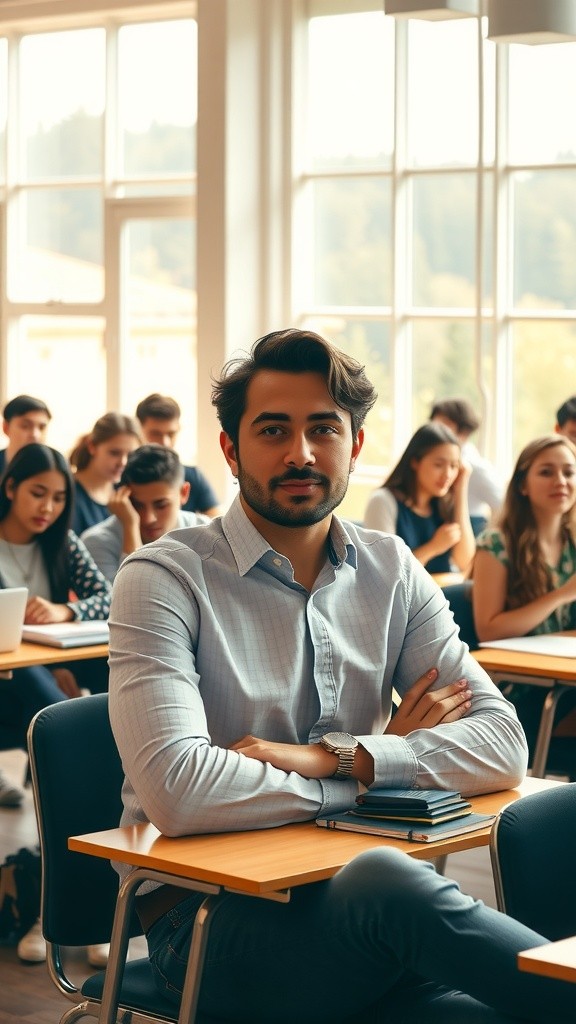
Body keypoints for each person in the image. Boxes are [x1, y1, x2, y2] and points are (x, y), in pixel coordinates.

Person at [108, 328, 573, 1023]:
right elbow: (179, 791)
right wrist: (370, 771)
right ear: (231, 450)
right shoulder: (163, 578)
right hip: (207, 928)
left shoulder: (391, 569)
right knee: (387, 882)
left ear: (354, 445)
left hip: (372, 924)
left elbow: (503, 745)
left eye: (323, 428)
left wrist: (337, 754)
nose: (300, 453)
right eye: (273, 430)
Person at [0, 443, 111, 968]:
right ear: (10, 489)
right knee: (71, 740)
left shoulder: (61, 542)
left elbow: (108, 597)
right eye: (37, 493)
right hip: (10, 688)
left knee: (111, 694)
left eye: (57, 497)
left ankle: (85, 909)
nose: (47, 506)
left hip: (41, 678)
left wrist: (65, 609)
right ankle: (61, 911)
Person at [472, 434, 576, 773]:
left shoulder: (572, 540)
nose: (561, 481)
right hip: (522, 691)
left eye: (569, 472)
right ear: (522, 485)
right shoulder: (497, 542)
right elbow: (489, 628)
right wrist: (561, 594)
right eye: (547, 472)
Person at [81, 445, 210, 583]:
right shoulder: (96, 542)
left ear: (184, 492)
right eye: (137, 505)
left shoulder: (206, 532)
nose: (149, 518)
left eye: (161, 505)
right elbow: (133, 599)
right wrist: (130, 526)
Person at [363, 421, 475, 575]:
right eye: (438, 464)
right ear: (415, 462)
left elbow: (466, 562)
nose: (448, 474)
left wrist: (461, 489)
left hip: (440, 594)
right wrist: (433, 547)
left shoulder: (443, 505)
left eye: (454, 466)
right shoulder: (383, 501)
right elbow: (386, 572)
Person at [135, 393, 220, 516]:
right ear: (139, 430)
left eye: (171, 434)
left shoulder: (193, 476)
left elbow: (217, 523)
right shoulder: (121, 476)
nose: (165, 442)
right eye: (156, 433)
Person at [431, 397, 504, 536]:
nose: (436, 431)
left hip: (467, 532)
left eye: (443, 426)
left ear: (464, 432)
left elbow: (503, 506)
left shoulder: (475, 468)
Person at [69, 412, 141, 535]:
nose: (123, 462)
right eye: (114, 453)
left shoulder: (129, 490)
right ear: (92, 447)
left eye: (130, 455)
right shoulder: (68, 494)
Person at [0, 395, 51, 477]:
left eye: (42, 427)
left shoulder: (53, 471)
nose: (35, 435)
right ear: (6, 428)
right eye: (25, 426)